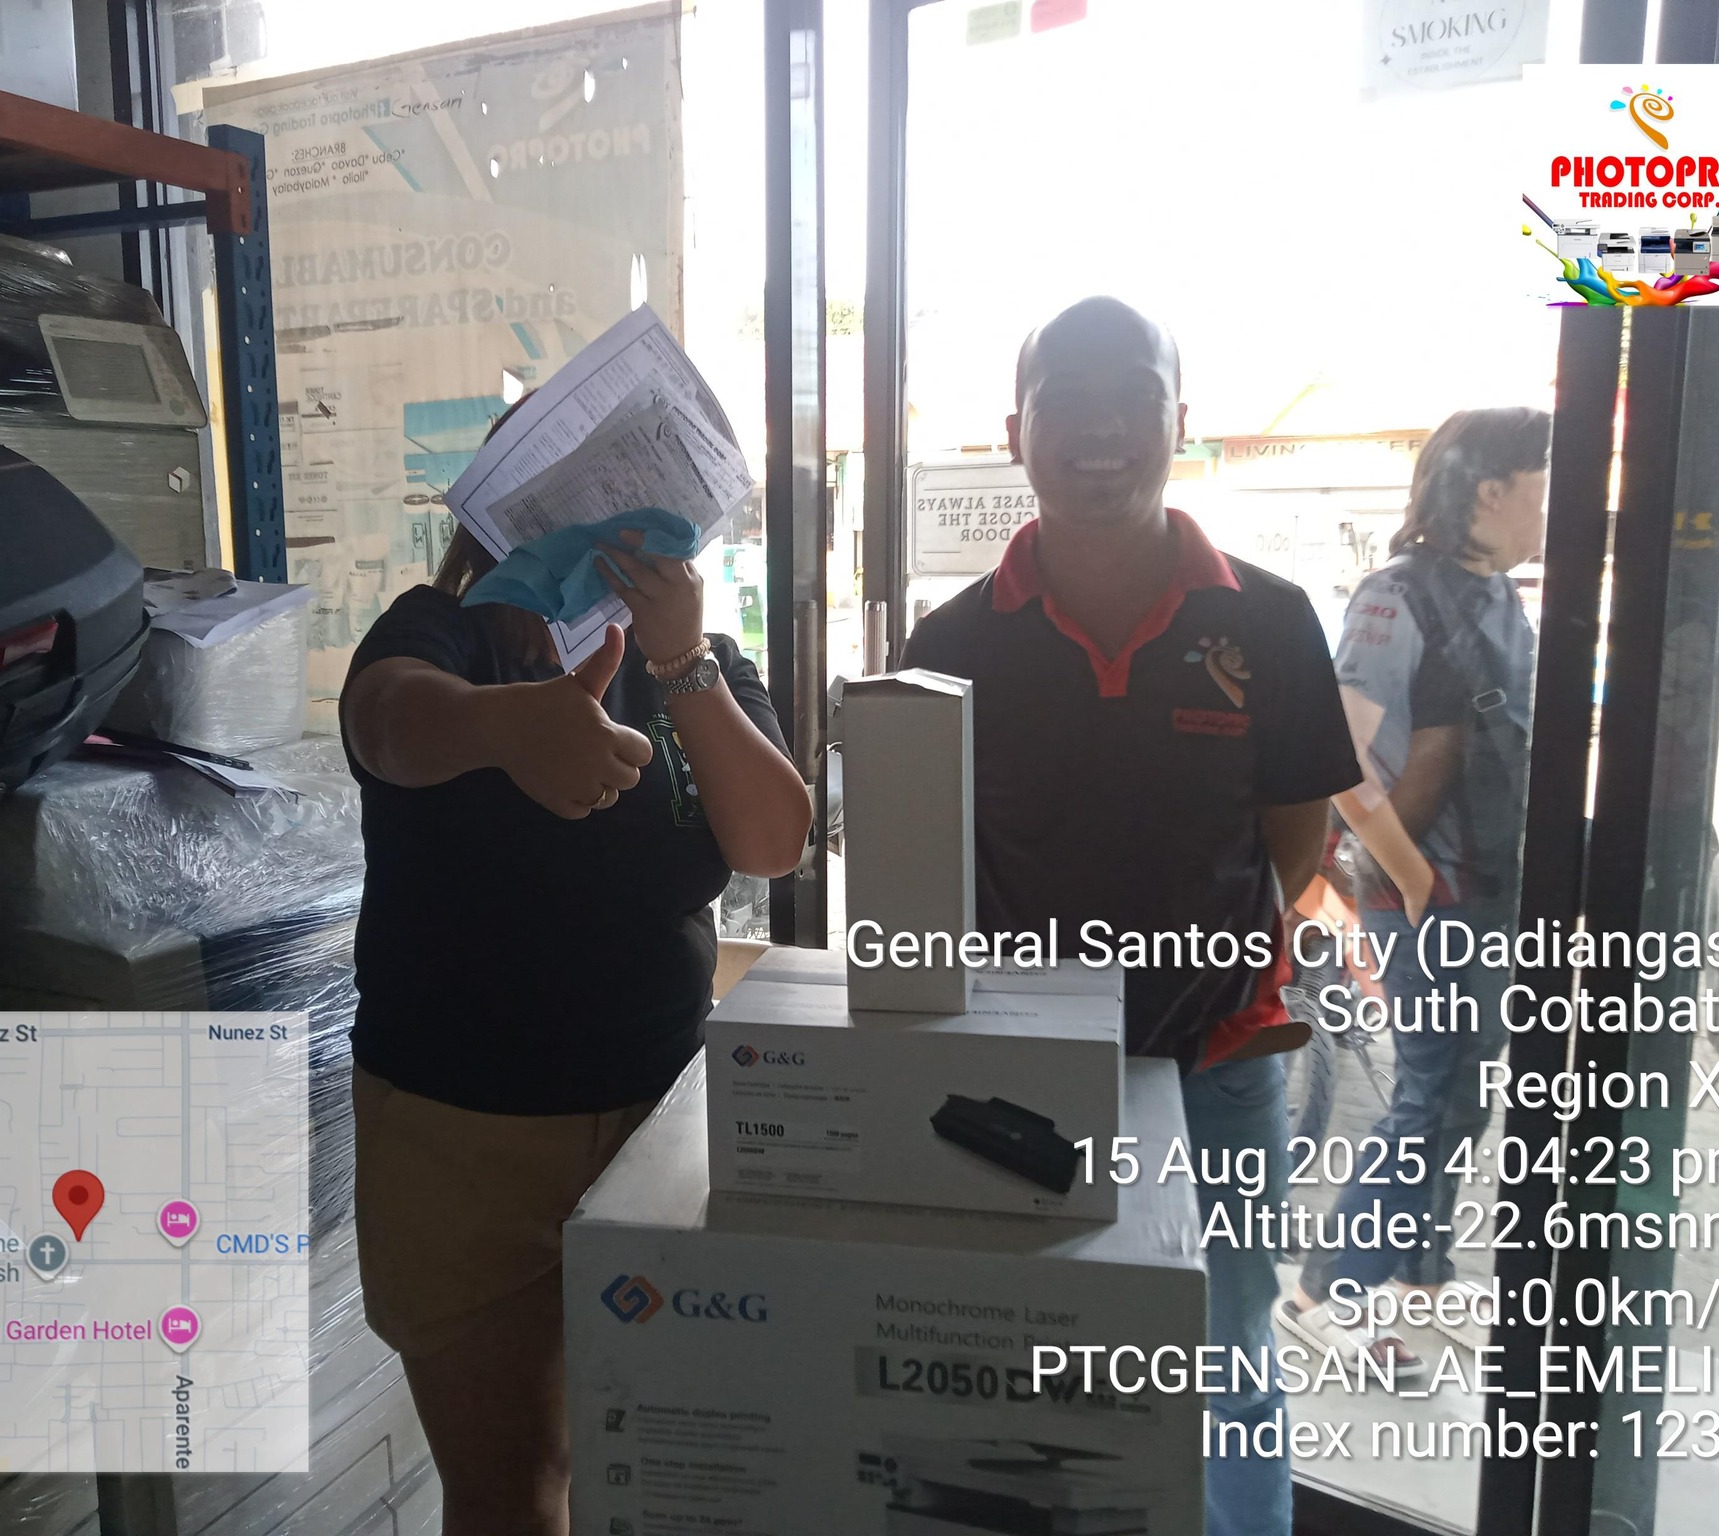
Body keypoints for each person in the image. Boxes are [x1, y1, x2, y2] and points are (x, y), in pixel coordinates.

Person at [900, 297, 1363, 1536]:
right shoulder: (950, 642)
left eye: (1132, 397)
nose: (1099, 427)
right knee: (1028, 1358)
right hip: (1017, 1082)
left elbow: (1292, 842)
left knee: (1225, 1364)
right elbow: (930, 866)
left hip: (1214, 1068)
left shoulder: (1267, 620)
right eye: (1066, 399)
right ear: (1015, 430)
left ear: (1179, 421)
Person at [338, 406, 813, 1535]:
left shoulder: (702, 666)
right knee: (514, 1483)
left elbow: (771, 841)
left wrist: (680, 661)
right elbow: (385, 724)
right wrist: (503, 727)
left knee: (669, 1471)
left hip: (660, 1126)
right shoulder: (445, 632)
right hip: (462, 1136)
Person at [1280, 406, 1547, 1378]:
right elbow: (1337, 755)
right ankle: (1325, 1293)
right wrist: (1411, 873)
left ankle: (1415, 1289)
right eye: (1543, 483)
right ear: (1491, 489)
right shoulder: (1393, 599)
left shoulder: (1498, 596)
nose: (1552, 507)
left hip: (1487, 889)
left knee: (1459, 1097)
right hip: (1429, 897)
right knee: (1431, 1094)